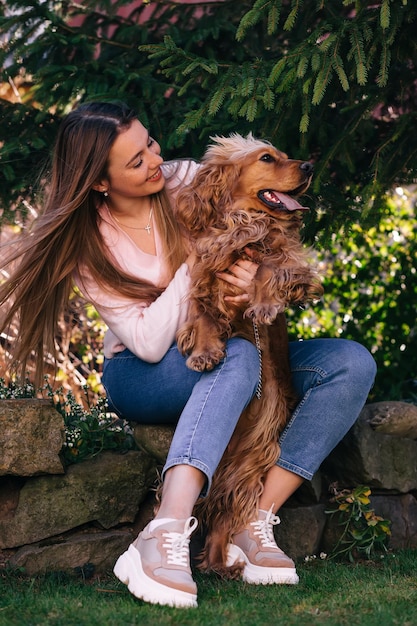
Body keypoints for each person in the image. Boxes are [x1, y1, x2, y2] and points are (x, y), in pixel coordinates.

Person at [0, 101, 376, 609]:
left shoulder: (182, 181)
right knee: (237, 357)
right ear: (99, 183)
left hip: (230, 339)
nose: (156, 161)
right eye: (135, 162)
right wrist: (203, 261)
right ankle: (163, 532)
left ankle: (254, 521)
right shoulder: (88, 245)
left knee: (350, 363)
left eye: (150, 144)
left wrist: (257, 278)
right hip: (144, 373)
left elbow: (252, 187)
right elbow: (149, 342)